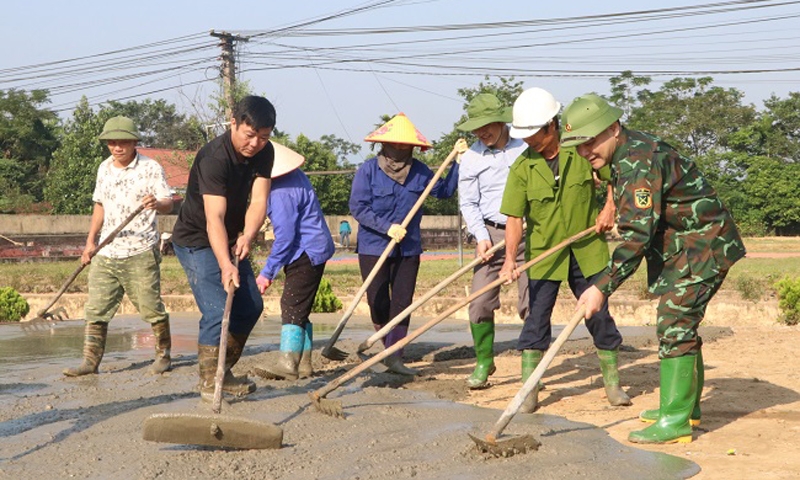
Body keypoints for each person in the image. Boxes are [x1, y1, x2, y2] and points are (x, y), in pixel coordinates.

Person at [562, 93, 746, 444]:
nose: (585, 152)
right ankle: (684, 408)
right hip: (684, 247)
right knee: (679, 322)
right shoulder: (625, 153)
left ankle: (675, 420)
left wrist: (600, 286)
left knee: (675, 321)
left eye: (589, 142)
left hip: (703, 246)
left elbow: (636, 237)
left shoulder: (637, 163)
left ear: (613, 128)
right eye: (578, 146)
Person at [499, 87, 630, 413]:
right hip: (546, 254)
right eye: (524, 135)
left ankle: (613, 385)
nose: (528, 140)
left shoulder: (582, 152)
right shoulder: (521, 168)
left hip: (587, 250)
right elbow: (514, 218)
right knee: (535, 321)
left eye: (534, 134)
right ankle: (529, 391)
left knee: (598, 316)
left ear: (551, 125)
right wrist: (509, 260)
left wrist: (609, 206)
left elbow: (612, 174)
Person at [171, 96, 275, 400]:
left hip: (230, 239)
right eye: (249, 134)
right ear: (234, 123)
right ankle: (208, 381)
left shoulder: (265, 152)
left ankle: (223, 371)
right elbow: (213, 218)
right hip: (196, 241)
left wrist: (248, 234)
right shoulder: (214, 157)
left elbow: (258, 201)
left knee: (251, 306)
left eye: (263, 137)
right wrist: (226, 265)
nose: (255, 143)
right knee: (217, 311)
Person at [350, 113, 464, 375]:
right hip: (373, 247)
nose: (402, 150)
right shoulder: (367, 171)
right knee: (378, 302)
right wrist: (387, 227)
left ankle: (394, 356)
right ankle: (386, 347)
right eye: (397, 144)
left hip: (408, 248)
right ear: (385, 145)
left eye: (407, 145)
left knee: (402, 303)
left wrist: (458, 163)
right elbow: (358, 207)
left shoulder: (421, 171)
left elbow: (444, 191)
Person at [64, 116, 174, 377]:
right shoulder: (104, 168)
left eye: (122, 142)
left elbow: (168, 201)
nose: (117, 147)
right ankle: (90, 362)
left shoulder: (150, 168)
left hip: (140, 251)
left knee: (150, 307)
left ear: (134, 142)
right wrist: (90, 242)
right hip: (107, 251)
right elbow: (99, 205)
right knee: (96, 309)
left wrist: (156, 204)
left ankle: (163, 355)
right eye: (112, 142)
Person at [455, 93, 530, 389]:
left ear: (501, 121)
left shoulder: (526, 147)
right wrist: (481, 237)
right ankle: (484, 361)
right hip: (492, 235)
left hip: (529, 233)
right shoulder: (471, 158)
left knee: (532, 303)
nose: (481, 133)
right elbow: (469, 203)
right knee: (479, 302)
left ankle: (531, 367)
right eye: (475, 128)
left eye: (486, 126)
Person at [253, 143, 335, 381]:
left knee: (291, 305)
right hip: (312, 247)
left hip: (306, 251)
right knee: (300, 308)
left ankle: (288, 364)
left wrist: (266, 273)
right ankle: (305, 364)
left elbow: (285, 237)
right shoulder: (294, 176)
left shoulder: (281, 191)